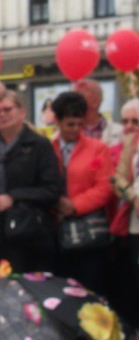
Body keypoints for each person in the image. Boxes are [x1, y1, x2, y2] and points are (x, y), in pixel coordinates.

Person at [0, 91, 61, 273]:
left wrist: (14, 197)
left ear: (21, 112)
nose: (2, 115)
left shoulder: (39, 145)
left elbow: (52, 190)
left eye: (7, 109)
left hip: (30, 234)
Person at [50, 91, 113, 295]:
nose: (76, 130)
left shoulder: (98, 149)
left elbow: (105, 187)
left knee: (91, 290)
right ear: (58, 122)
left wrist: (74, 205)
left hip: (89, 234)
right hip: (56, 232)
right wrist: (55, 203)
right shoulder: (47, 148)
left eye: (80, 124)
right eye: (70, 124)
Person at [113, 102, 139, 325]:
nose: (130, 127)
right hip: (135, 223)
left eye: (135, 121)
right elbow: (118, 179)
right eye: (125, 122)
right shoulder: (129, 144)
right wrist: (133, 197)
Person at [77, 78, 122, 147]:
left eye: (79, 97)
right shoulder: (64, 134)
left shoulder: (120, 132)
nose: (73, 103)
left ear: (95, 101)